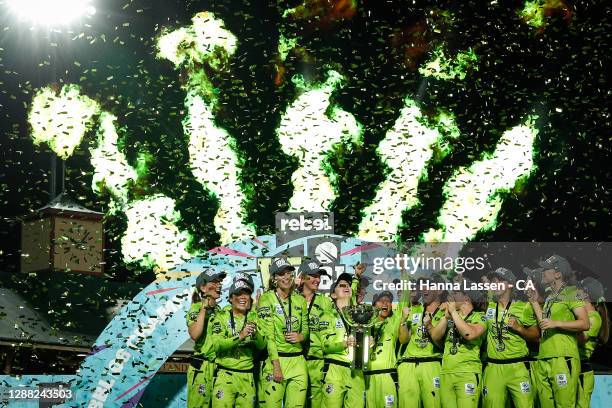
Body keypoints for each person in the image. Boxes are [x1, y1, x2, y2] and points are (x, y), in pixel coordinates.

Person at [528, 255, 590, 408]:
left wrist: (557, 323)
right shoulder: (550, 297)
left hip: (563, 357)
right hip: (544, 357)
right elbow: (545, 323)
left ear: (558, 274)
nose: (542, 272)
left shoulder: (572, 293)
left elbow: (585, 323)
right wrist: (534, 302)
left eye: (546, 269)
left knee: (565, 404)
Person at [482, 268, 540, 408]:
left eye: (499, 280)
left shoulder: (523, 307)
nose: (494, 283)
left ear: (510, 284)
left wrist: (519, 328)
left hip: (518, 367)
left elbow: (536, 335)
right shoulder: (487, 306)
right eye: (493, 281)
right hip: (493, 367)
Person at [257, 258, 310, 407]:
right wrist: (276, 365)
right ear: (274, 278)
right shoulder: (266, 299)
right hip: (277, 361)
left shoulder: (300, 300)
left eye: (289, 273)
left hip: (298, 362)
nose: (286, 277)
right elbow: (269, 336)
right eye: (281, 274)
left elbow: (306, 329)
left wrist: (301, 336)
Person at [430, 279, 487, 408]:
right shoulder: (451, 317)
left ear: (466, 298)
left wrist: (454, 313)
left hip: (467, 373)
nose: (451, 296)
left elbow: (469, 334)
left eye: (456, 293)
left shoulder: (480, 316)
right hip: (446, 373)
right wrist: (446, 317)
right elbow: (435, 336)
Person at [210, 280, 265, 407]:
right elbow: (217, 345)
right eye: (238, 294)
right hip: (225, 376)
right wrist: (240, 336)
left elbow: (262, 345)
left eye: (246, 294)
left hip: (247, 377)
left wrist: (256, 335)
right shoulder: (221, 317)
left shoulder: (254, 317)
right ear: (230, 298)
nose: (243, 297)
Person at [397, 275, 446, 408]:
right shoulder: (414, 309)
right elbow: (403, 339)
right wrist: (403, 321)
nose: (424, 289)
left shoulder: (445, 312)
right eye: (422, 286)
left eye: (429, 286)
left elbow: (443, 345)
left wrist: (430, 326)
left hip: (431, 364)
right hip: (408, 365)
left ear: (440, 290)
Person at [319, 272, 365, 407]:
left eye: (349, 285)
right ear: (333, 294)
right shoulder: (327, 316)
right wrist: (344, 344)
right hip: (335, 368)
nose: (346, 286)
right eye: (341, 285)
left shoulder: (359, 316)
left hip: (356, 370)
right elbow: (325, 346)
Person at [186, 268, 227, 408]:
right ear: (203, 288)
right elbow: (195, 334)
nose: (219, 284)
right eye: (214, 281)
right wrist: (204, 309)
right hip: (202, 368)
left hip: (220, 368)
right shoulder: (196, 308)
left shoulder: (220, 310)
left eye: (220, 281)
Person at [296, 259, 334, 407]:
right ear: (303, 277)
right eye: (313, 276)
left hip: (317, 360)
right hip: (295, 358)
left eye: (319, 276)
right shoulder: (291, 299)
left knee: (316, 401)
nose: (317, 280)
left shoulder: (326, 302)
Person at [364, 289, 407, 408]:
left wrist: (404, 272)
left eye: (388, 301)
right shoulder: (365, 324)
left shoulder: (393, 322)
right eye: (381, 300)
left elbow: (404, 299)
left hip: (388, 376)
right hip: (368, 377)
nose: (385, 303)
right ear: (373, 305)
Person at [576, 277, 608, 408]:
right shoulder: (581, 315)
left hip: (582, 370)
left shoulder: (594, 317)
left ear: (586, 294)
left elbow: (581, 339)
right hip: (574, 367)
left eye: (578, 289)